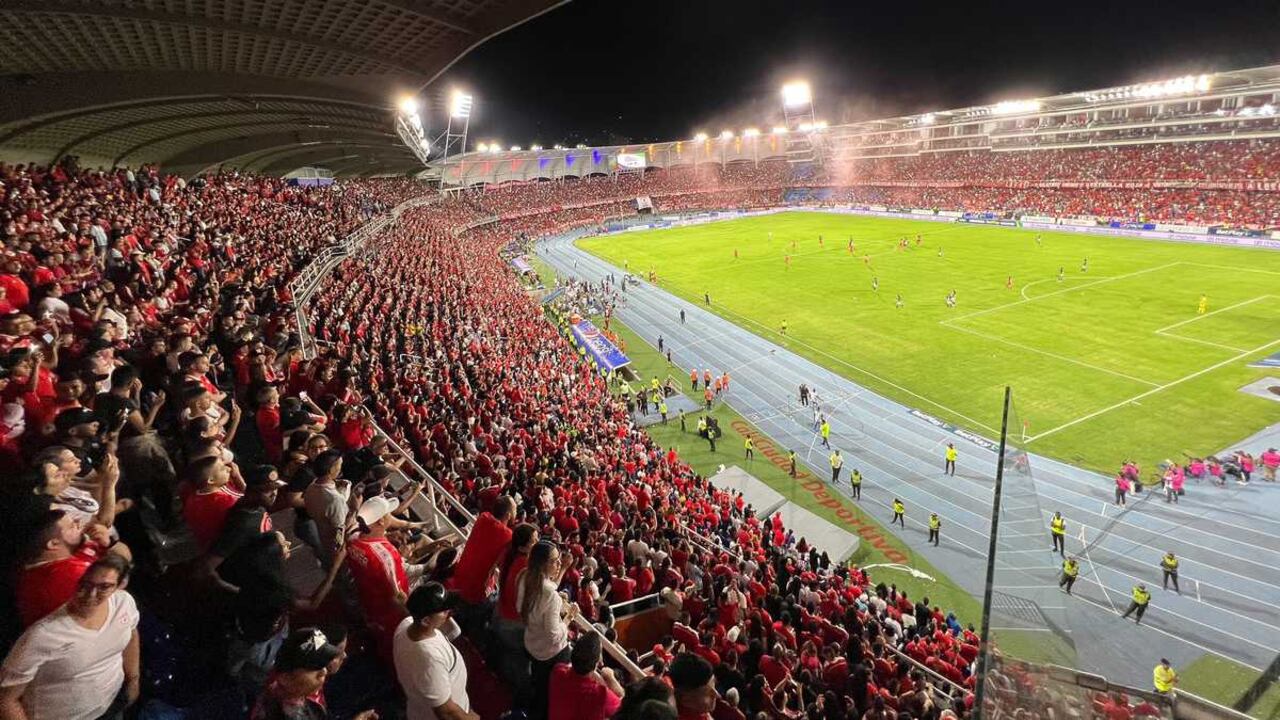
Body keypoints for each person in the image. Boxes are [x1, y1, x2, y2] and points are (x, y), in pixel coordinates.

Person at [0, 555, 140, 720]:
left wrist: (133, 679)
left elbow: (130, 633)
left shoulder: (123, 602)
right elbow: (7, 699)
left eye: (104, 587)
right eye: (84, 585)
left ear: (119, 585)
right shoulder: (43, 635)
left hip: (112, 704)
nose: (91, 595)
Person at [251, 628, 377, 720]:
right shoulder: (286, 713)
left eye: (322, 665)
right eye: (314, 668)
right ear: (286, 678)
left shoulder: (291, 692)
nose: (324, 671)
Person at [394, 583, 477, 720]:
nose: (448, 612)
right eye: (444, 611)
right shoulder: (428, 660)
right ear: (426, 620)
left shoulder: (406, 625)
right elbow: (447, 713)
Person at [520, 541, 576, 720]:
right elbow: (554, 635)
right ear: (543, 564)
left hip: (531, 644)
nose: (559, 563)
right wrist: (569, 617)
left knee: (538, 683)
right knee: (547, 693)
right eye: (555, 561)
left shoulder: (524, 576)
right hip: (548, 653)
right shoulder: (550, 596)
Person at [449, 495, 515, 629]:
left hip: (459, 578)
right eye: (515, 509)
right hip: (475, 592)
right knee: (497, 601)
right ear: (508, 514)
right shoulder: (508, 535)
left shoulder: (483, 517)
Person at [548, 632, 624, 720]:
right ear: (597, 663)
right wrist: (610, 678)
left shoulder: (558, 671)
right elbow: (622, 705)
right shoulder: (601, 695)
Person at [669, 653, 717, 720]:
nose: (716, 694)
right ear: (686, 699)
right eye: (707, 692)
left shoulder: (697, 710)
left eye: (714, 685)